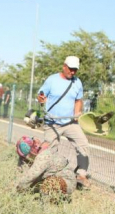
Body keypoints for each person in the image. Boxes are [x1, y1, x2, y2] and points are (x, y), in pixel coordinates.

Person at [37, 56, 90, 188]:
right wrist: (41, 98)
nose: (72, 72)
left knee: (83, 144)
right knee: (50, 150)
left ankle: (81, 175)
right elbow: (41, 95)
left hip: (70, 122)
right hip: (52, 122)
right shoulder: (52, 80)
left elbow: (78, 100)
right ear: (64, 66)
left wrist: (76, 114)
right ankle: (46, 175)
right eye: (70, 69)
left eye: (75, 70)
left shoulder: (77, 82)